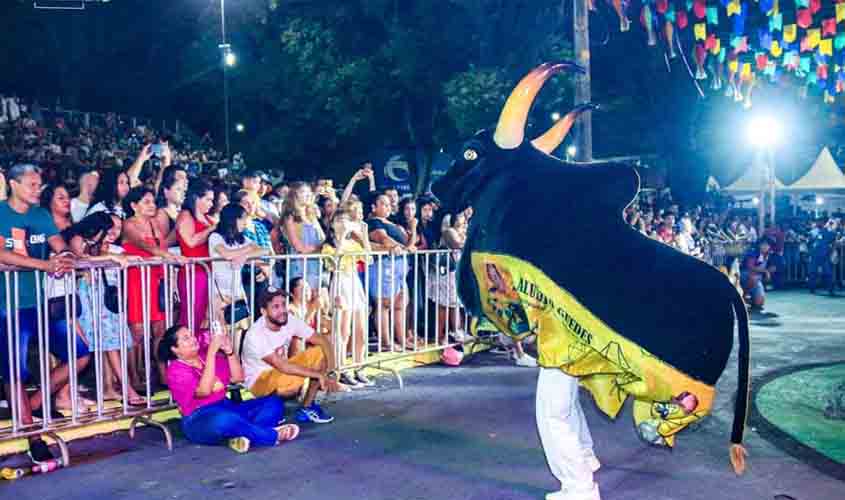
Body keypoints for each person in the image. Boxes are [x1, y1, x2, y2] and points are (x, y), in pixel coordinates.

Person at [0, 163, 87, 461]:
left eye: (39, 185)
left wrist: (64, 257)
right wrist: (47, 265)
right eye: (32, 185)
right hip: (8, 305)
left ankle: (33, 406)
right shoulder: (0, 212)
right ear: (13, 184)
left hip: (39, 303)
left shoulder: (40, 215)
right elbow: (1, 253)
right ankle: (32, 437)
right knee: (15, 372)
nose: (38, 190)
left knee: (80, 353)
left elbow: (59, 244)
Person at [160, 324, 299, 453]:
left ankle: (245, 436)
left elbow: (238, 377)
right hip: (198, 419)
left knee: (272, 402)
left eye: (191, 335)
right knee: (226, 419)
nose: (193, 339)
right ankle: (271, 436)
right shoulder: (176, 370)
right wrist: (212, 353)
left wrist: (230, 352)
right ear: (175, 349)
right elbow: (204, 391)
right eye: (186, 338)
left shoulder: (204, 358)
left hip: (227, 407)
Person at [241, 288, 343, 424]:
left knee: (319, 351)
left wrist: (330, 372)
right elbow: (282, 366)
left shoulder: (289, 320)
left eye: (283, 304)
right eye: (276, 307)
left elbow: (322, 340)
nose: (282, 310)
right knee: (290, 386)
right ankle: (269, 408)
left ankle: (307, 408)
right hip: (259, 381)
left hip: (281, 371)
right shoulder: (255, 334)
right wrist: (318, 375)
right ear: (263, 311)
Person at [122, 187, 186, 389]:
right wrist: (171, 257)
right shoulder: (128, 224)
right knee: (137, 333)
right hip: (136, 281)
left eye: (152, 201)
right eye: (146, 202)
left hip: (156, 279)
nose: (152, 205)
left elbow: (163, 246)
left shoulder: (154, 224)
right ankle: (132, 378)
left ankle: (162, 374)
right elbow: (145, 246)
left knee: (159, 329)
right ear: (134, 206)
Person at [322, 207, 374, 388]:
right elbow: (333, 264)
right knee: (343, 331)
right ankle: (341, 368)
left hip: (354, 283)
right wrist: (343, 237)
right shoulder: (328, 246)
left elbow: (369, 259)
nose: (343, 223)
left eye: (345, 220)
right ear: (332, 225)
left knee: (361, 329)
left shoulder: (354, 244)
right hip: (340, 283)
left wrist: (364, 235)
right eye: (338, 220)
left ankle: (359, 368)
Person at [367, 193, 415, 351]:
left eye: (389, 204)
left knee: (401, 303)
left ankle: (402, 340)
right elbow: (383, 239)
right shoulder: (373, 222)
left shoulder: (392, 223)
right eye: (383, 204)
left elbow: (410, 244)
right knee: (383, 304)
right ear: (374, 207)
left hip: (400, 267)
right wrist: (402, 248)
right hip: (384, 266)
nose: (388, 207)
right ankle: (386, 342)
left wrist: (413, 229)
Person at [176, 181, 217, 330]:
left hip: (207, 272)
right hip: (193, 273)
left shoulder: (208, 218)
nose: (211, 204)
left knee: (206, 317)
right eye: (208, 199)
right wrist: (212, 229)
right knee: (192, 316)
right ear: (196, 199)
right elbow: (191, 242)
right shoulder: (186, 215)